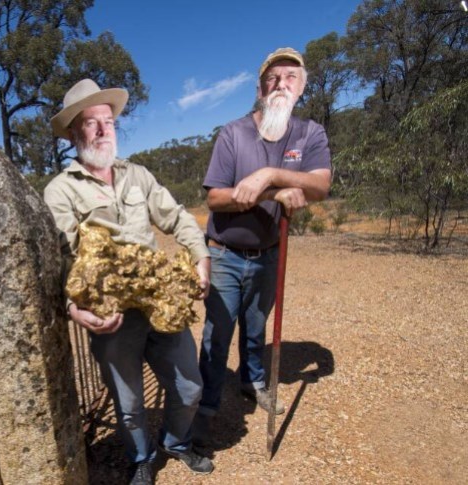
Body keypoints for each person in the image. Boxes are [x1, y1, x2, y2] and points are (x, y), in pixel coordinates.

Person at [44, 79, 214, 485]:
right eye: (91, 123)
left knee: (189, 387)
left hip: (161, 304)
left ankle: (176, 442)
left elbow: (175, 217)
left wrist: (201, 255)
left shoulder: (137, 175)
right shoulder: (60, 191)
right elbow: (60, 262)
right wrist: (74, 309)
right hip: (113, 319)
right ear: (73, 133)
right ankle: (141, 457)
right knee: (129, 403)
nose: (104, 129)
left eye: (109, 121)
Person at [196, 48, 332, 428]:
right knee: (218, 331)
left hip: (269, 252)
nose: (281, 84)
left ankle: (252, 381)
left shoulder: (310, 133)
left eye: (291, 77)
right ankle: (205, 401)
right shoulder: (233, 133)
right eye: (273, 78)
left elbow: (320, 185)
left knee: (255, 328)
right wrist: (272, 192)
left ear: (302, 87)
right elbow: (215, 198)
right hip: (225, 252)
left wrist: (270, 174)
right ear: (259, 88)